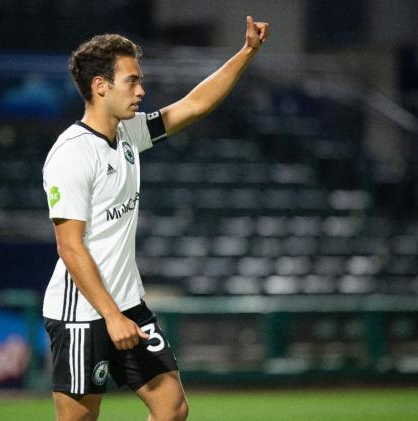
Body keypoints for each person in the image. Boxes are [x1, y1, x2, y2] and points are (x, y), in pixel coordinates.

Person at [42, 16, 269, 421]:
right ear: (100, 86)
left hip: (128, 305)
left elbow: (195, 104)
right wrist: (110, 316)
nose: (141, 90)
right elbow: (69, 245)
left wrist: (247, 52)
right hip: (82, 314)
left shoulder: (128, 134)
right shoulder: (71, 153)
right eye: (132, 81)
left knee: (172, 408)